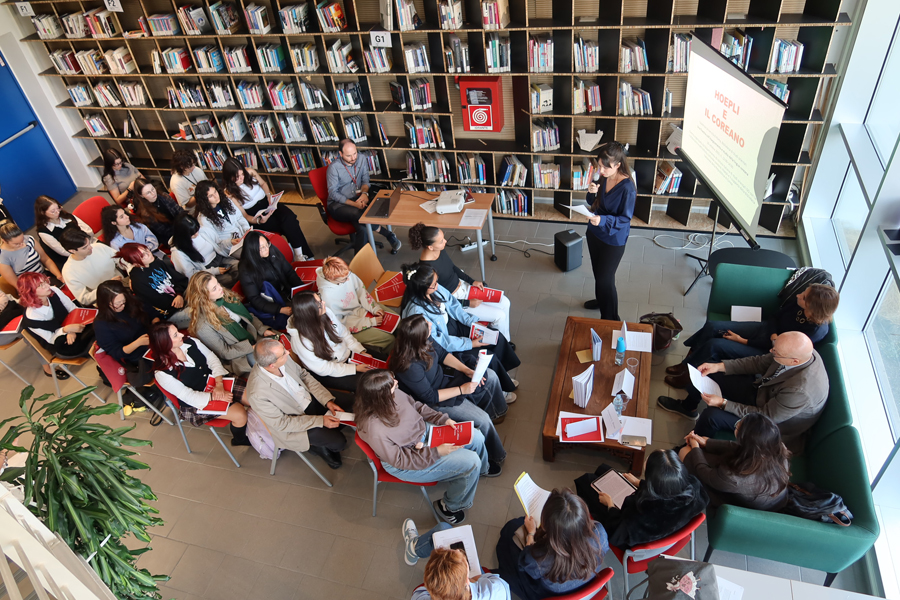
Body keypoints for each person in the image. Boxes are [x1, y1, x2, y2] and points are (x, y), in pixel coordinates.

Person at [657, 331, 829, 453]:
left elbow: (765, 415)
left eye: (776, 352)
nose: (771, 351)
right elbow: (760, 362)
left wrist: (724, 403)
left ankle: (691, 450)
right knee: (712, 374)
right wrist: (719, 366)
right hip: (764, 394)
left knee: (711, 416)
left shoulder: (800, 391)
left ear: (794, 360)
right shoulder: (794, 351)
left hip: (770, 425)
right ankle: (688, 407)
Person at [354, 369, 489, 524]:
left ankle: (480, 472)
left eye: (393, 379)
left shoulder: (393, 393)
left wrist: (441, 419)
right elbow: (399, 460)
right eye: (392, 384)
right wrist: (436, 452)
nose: (397, 383)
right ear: (381, 397)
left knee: (476, 436)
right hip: (407, 459)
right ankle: (450, 506)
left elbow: (416, 406)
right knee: (471, 462)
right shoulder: (374, 428)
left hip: (423, 433)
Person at [391, 315, 507, 472]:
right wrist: (462, 389)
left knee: (491, 376)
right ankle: (493, 457)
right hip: (435, 400)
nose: (431, 325)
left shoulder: (423, 339)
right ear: (418, 337)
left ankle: (497, 413)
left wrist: (466, 370)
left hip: (445, 378)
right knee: (483, 420)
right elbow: (430, 396)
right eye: (427, 326)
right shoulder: (409, 366)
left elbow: (443, 354)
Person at [401, 263, 520, 397]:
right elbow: (440, 343)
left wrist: (472, 322)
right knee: (485, 356)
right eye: (433, 284)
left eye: (436, 281)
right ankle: (502, 389)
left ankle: (503, 374)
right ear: (422, 288)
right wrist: (470, 343)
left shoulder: (434, 288)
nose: (437, 285)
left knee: (494, 335)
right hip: (446, 343)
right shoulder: (417, 313)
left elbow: (453, 304)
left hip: (452, 325)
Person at [246, 337, 354, 469]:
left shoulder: (283, 359)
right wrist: (320, 421)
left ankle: (324, 435)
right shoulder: (256, 393)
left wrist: (326, 400)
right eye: (283, 353)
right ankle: (317, 446)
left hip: (309, 400)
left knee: (351, 403)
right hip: (295, 422)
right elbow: (282, 423)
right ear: (271, 365)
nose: (288, 353)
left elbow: (304, 375)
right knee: (339, 443)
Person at [574, 450, 709, 550]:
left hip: (628, 535)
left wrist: (610, 505)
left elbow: (616, 534)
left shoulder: (642, 512)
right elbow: (668, 493)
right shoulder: (694, 487)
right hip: (668, 526)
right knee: (606, 472)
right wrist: (640, 483)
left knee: (587, 480)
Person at [149, 321, 250, 445]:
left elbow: (213, 360)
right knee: (240, 414)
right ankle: (239, 440)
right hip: (196, 402)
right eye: (175, 335)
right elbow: (188, 396)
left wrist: (219, 384)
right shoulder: (162, 373)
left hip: (215, 381)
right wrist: (216, 396)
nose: (181, 334)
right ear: (164, 343)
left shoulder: (190, 341)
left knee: (253, 399)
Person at [496, 489, 608, 600]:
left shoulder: (539, 558)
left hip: (547, 594)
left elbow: (526, 562)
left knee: (510, 530)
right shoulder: (600, 532)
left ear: (545, 526)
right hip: (586, 586)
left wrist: (531, 533)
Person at [410, 223, 512, 343]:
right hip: (456, 301)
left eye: (443, 238)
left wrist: (471, 281)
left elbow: (453, 267)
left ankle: (503, 339)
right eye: (441, 241)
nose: (445, 241)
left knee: (505, 302)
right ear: (430, 247)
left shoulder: (439, 249)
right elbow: (441, 299)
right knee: (499, 316)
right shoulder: (426, 269)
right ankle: (503, 343)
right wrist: (468, 303)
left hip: (464, 286)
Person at [679, 413, 791, 511]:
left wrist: (695, 447)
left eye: (739, 426)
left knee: (685, 451)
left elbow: (705, 473)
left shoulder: (734, 477)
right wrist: (707, 442)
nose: (737, 425)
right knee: (703, 445)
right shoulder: (776, 449)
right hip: (768, 496)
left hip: (741, 503)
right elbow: (738, 447)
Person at [582, 142, 635, 320]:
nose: (601, 170)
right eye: (599, 165)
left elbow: (625, 219)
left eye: (605, 167)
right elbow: (593, 201)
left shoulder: (628, 188)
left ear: (618, 165)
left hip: (613, 238)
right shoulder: (603, 176)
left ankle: (611, 318)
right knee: (599, 274)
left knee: (606, 279)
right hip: (595, 232)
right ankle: (601, 300)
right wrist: (591, 192)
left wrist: (603, 220)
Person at [221, 157, 312, 261]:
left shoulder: (249, 172)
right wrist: (259, 220)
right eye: (237, 177)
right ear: (230, 177)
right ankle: (301, 254)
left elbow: (263, 183)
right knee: (286, 224)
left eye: (242, 174)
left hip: (267, 204)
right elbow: (245, 216)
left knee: (290, 217)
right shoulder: (229, 192)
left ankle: (298, 253)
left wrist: (268, 195)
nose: (241, 178)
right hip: (255, 215)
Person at [186, 271, 276, 376]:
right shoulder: (202, 326)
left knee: (283, 343)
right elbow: (225, 353)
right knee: (274, 361)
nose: (220, 288)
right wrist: (253, 347)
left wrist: (262, 329)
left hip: (254, 335)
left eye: (218, 283)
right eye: (214, 288)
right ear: (203, 297)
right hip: (240, 355)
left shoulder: (224, 297)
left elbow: (248, 317)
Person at [287, 292, 374, 393]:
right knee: (372, 384)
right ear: (310, 312)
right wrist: (354, 368)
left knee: (383, 363)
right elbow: (323, 368)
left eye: (320, 299)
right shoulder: (301, 341)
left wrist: (359, 350)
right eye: (319, 303)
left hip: (345, 354)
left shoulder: (325, 312)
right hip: (329, 371)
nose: (323, 302)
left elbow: (343, 333)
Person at [325, 139, 401, 254]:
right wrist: (354, 204)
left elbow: (365, 179)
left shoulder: (361, 158)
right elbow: (333, 193)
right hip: (338, 205)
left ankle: (360, 261)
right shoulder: (334, 168)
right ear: (340, 154)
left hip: (358, 197)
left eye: (354, 153)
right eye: (349, 155)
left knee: (363, 227)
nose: (353, 158)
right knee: (361, 215)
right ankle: (388, 234)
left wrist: (365, 194)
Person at [401, 528, 511, 600]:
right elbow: (498, 583)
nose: (458, 551)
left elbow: (417, 593)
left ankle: (414, 548)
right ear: (467, 578)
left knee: (442, 527)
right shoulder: (494, 589)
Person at [315, 256, 396, 353]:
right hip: (351, 324)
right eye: (344, 279)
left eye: (348, 274)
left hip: (361, 309)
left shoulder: (345, 274)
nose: (348, 279)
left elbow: (361, 291)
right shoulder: (326, 296)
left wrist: (375, 309)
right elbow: (340, 323)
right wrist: (370, 322)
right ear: (331, 279)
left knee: (398, 322)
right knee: (389, 339)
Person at [18, 272, 94, 359]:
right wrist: (66, 330)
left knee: (100, 325)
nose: (47, 286)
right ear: (30, 292)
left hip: (73, 325)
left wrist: (71, 330)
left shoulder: (53, 290)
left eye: (45, 282)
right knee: (87, 342)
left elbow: (73, 309)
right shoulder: (32, 317)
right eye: (40, 286)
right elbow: (51, 339)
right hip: (58, 341)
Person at [237, 231, 303, 329]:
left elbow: (289, 272)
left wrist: (301, 289)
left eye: (267, 244)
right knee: (303, 316)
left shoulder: (272, 249)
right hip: (273, 302)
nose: (266, 249)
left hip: (287, 291)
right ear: (253, 251)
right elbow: (254, 298)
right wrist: (280, 309)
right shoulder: (246, 269)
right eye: (261, 248)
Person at [94, 280, 153, 388]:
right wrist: (138, 343)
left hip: (151, 339)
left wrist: (156, 325)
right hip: (136, 354)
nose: (122, 305)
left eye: (123, 301)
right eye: (117, 304)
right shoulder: (102, 324)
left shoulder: (130, 303)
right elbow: (116, 353)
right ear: (105, 303)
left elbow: (151, 313)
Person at [116, 243, 188, 321]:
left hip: (183, 296)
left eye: (146, 250)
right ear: (135, 262)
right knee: (199, 312)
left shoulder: (156, 262)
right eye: (143, 255)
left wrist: (179, 294)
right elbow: (161, 303)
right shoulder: (138, 282)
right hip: (172, 312)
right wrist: (180, 298)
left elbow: (179, 279)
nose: (149, 254)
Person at [170, 214, 238, 286]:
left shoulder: (203, 231)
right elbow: (191, 275)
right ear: (183, 235)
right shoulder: (178, 253)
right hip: (205, 271)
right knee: (230, 279)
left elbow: (219, 243)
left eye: (197, 230)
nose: (197, 234)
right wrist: (214, 271)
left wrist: (230, 242)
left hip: (219, 257)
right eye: (192, 234)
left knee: (240, 267)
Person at [59, 229, 122, 306]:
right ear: (72, 251)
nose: (91, 247)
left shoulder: (99, 247)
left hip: (122, 284)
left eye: (89, 243)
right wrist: (106, 288)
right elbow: (84, 299)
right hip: (105, 300)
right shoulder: (69, 271)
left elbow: (121, 259)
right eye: (85, 247)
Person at [33, 195, 94, 270]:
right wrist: (82, 254)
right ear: (42, 213)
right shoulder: (44, 231)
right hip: (69, 257)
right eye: (53, 211)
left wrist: (89, 245)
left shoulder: (67, 216)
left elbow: (88, 231)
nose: (57, 212)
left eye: (58, 208)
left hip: (84, 246)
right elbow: (62, 251)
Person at [194, 180, 250, 256]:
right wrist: (230, 242)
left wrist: (246, 230)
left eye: (215, 192)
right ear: (204, 200)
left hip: (242, 235)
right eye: (210, 196)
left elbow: (239, 218)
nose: (216, 196)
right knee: (252, 253)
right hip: (230, 247)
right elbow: (216, 243)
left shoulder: (226, 201)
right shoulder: (204, 220)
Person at [0, 222, 63, 287]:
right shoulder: (2, 257)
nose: (22, 244)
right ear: (4, 241)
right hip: (29, 286)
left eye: (22, 240)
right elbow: (17, 284)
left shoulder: (29, 239)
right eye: (16, 244)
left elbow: (46, 260)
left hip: (44, 276)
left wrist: (59, 276)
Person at [131, 177, 183, 244]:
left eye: (152, 189)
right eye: (148, 193)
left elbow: (179, 211)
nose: (153, 193)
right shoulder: (146, 214)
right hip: (171, 237)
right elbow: (166, 232)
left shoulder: (164, 196)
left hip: (181, 226)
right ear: (141, 196)